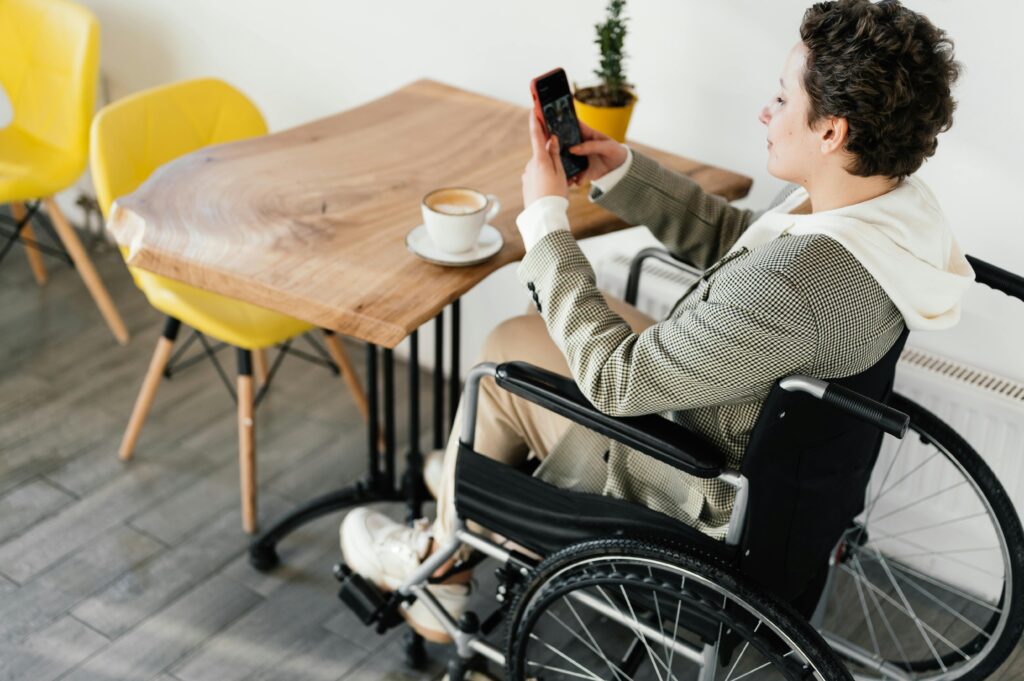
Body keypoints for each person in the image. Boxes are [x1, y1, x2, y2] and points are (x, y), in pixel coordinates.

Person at [340, 0, 973, 643]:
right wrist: (626, 174)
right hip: (755, 436)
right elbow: (743, 241)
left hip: (691, 478)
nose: (766, 111)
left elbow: (617, 381)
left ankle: (438, 574)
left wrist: (546, 223)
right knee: (537, 329)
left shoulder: (802, 282)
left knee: (499, 367)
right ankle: (470, 483)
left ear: (831, 131)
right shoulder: (881, 205)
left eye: (783, 100)